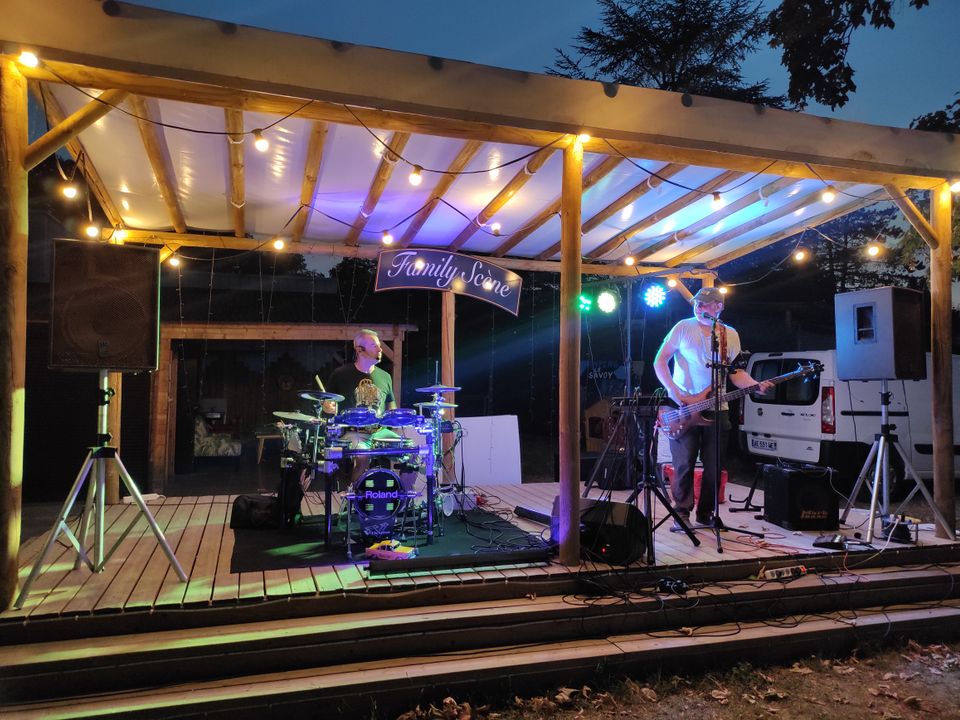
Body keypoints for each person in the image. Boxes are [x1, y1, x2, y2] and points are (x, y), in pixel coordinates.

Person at [653, 287, 773, 528]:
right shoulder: (682, 327)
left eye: (704, 303)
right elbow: (660, 360)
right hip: (684, 407)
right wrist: (675, 392)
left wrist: (755, 385)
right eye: (697, 303)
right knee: (684, 462)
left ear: (719, 306)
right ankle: (682, 512)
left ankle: (706, 513)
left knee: (714, 465)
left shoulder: (730, 334)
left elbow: (735, 372)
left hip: (717, 407)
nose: (698, 307)